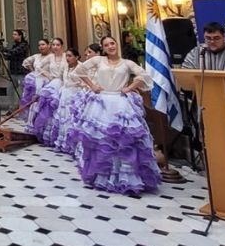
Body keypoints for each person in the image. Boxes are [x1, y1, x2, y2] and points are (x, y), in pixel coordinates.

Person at [68, 35, 161, 194]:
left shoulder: (127, 63)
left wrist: (130, 87)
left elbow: (144, 76)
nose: (110, 46)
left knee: (122, 141)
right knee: (103, 140)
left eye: (112, 43)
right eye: (107, 45)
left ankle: (125, 178)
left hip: (120, 102)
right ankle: (103, 176)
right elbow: (79, 70)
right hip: (102, 103)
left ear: (116, 44)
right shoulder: (98, 61)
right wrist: (92, 85)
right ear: (103, 48)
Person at [181, 22, 225, 191]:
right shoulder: (197, 54)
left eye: (216, 38)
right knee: (214, 151)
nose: (212, 42)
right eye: (208, 38)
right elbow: (185, 75)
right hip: (207, 113)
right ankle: (222, 189)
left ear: (224, 37)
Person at [28, 38, 68, 139]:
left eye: (58, 45)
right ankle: (48, 133)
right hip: (53, 83)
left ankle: (61, 134)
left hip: (65, 83)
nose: (55, 47)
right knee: (49, 106)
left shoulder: (66, 56)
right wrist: (48, 75)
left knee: (61, 108)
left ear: (62, 46)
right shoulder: (50, 57)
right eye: (53, 45)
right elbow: (38, 66)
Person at [52, 47, 84, 154]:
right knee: (63, 117)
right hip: (65, 94)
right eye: (67, 56)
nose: (67, 58)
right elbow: (62, 79)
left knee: (72, 118)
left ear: (76, 57)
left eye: (70, 56)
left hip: (75, 94)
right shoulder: (66, 67)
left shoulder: (81, 67)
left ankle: (73, 144)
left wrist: (79, 85)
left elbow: (85, 81)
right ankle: (64, 142)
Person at [19, 39, 52, 112]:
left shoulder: (52, 56)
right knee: (33, 103)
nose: (41, 47)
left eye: (43, 44)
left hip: (47, 82)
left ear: (48, 45)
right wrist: (33, 71)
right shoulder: (36, 56)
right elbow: (26, 62)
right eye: (39, 45)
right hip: (34, 82)